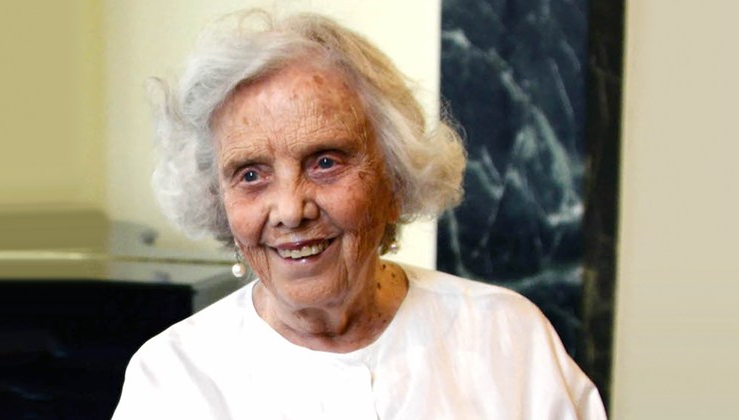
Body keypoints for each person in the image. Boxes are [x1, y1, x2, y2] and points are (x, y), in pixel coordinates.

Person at [113, 10, 606, 419]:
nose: (290, 210)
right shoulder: (173, 380)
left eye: (325, 162)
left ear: (394, 177)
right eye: (251, 174)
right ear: (218, 202)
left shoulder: (508, 339)